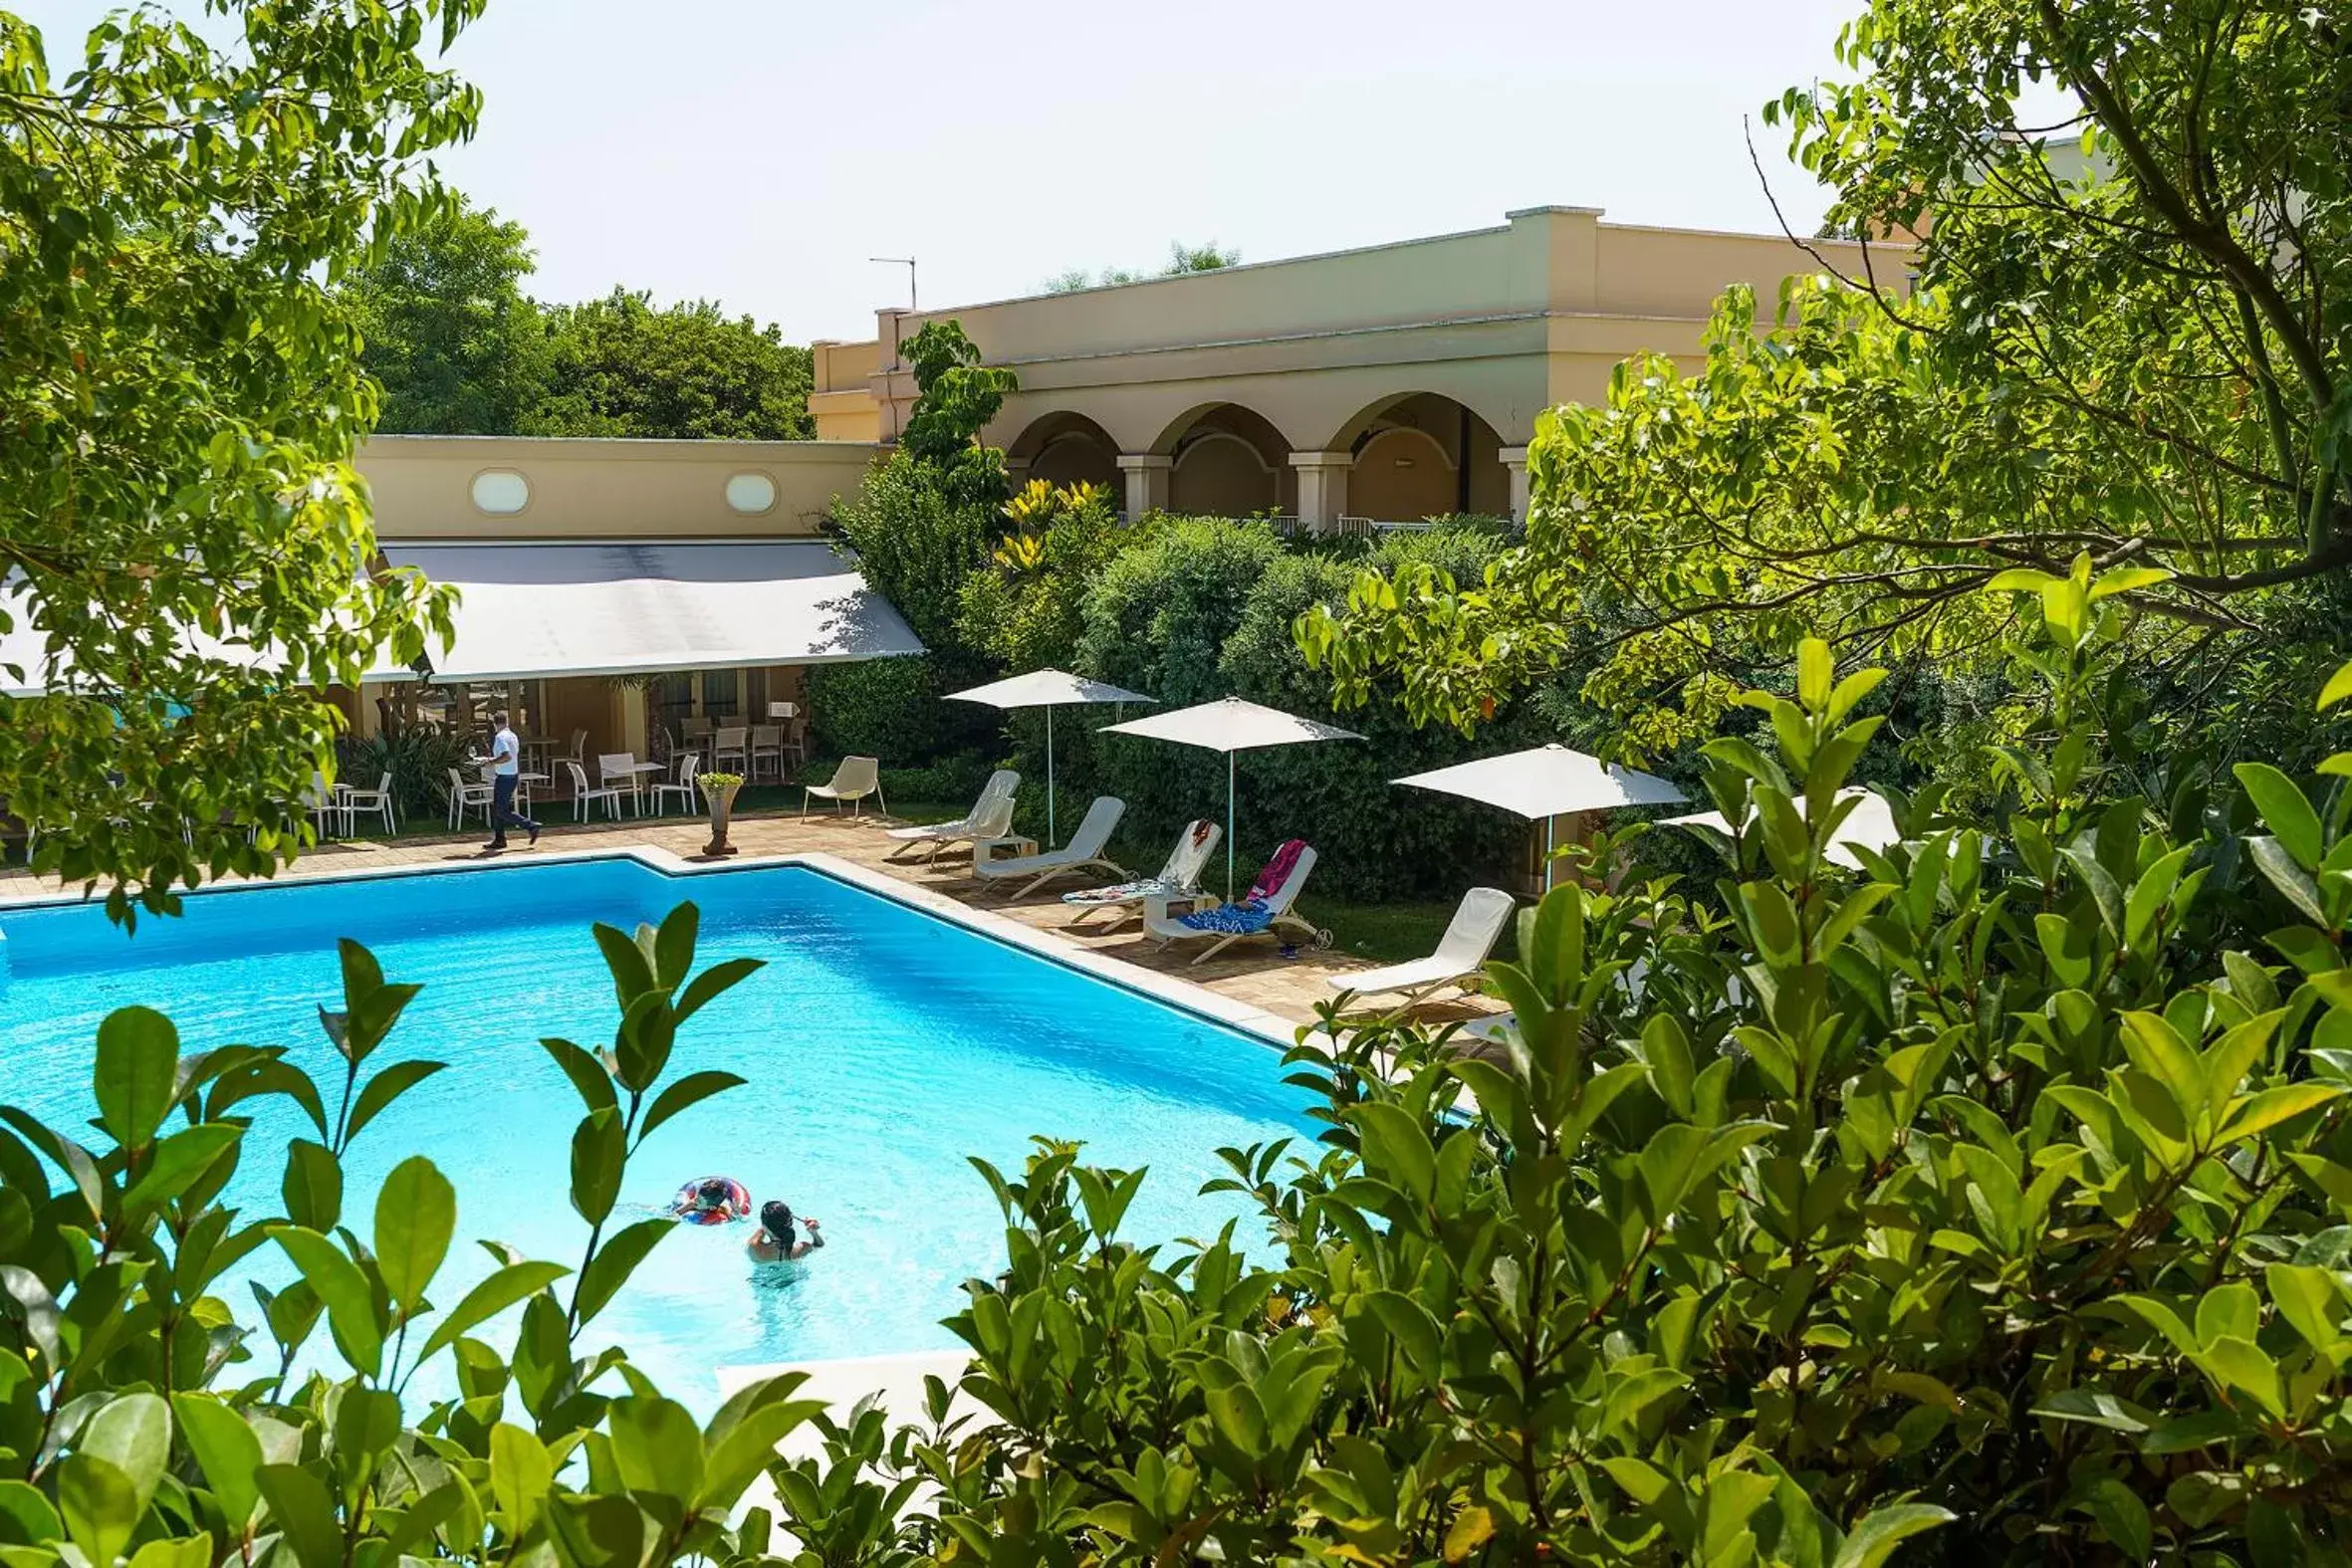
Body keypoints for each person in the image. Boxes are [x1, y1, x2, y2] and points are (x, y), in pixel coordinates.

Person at [480, 708, 540, 851]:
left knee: (501, 810)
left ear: (495, 724)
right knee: (498, 809)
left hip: (505, 777)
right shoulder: (512, 735)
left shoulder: (500, 737)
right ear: (506, 722)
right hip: (511, 775)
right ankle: (500, 839)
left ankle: (530, 825)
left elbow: (506, 756)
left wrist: (490, 761)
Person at [747, 1200, 823, 1261]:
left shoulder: (754, 1249)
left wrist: (767, 1223)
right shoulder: (801, 1249)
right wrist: (814, 1232)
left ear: (765, 1226)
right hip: (795, 1280)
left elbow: (755, 1237)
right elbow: (819, 1245)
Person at [670, 1176, 751, 1225]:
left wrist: (736, 1213)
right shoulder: (692, 1203)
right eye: (697, 1196)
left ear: (712, 1207)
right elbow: (675, 1214)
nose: (695, 1200)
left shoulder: (724, 1208)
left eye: (700, 1201)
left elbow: (738, 1220)